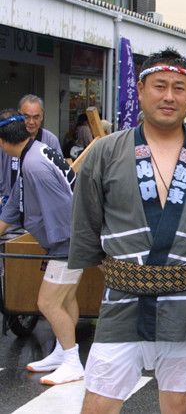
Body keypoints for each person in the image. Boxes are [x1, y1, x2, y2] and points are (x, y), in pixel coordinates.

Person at [68, 47, 186, 413]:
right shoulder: (105, 151)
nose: (169, 96)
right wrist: (123, 273)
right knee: (98, 403)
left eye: (179, 87)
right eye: (160, 86)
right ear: (140, 90)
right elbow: (86, 224)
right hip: (122, 301)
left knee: (178, 405)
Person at [0, 108, 82, 385]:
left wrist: (61, 249)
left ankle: (72, 361)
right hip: (69, 240)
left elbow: (62, 209)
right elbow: (13, 207)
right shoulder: (36, 152)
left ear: (2, 141)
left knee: (47, 302)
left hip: (67, 242)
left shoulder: (33, 164)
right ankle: (62, 351)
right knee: (66, 299)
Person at [0, 95, 62, 202]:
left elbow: (58, 175)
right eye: (26, 117)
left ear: (42, 116)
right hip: (8, 200)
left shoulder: (51, 140)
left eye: (36, 117)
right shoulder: (7, 137)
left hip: (38, 202)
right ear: (19, 115)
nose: (31, 122)